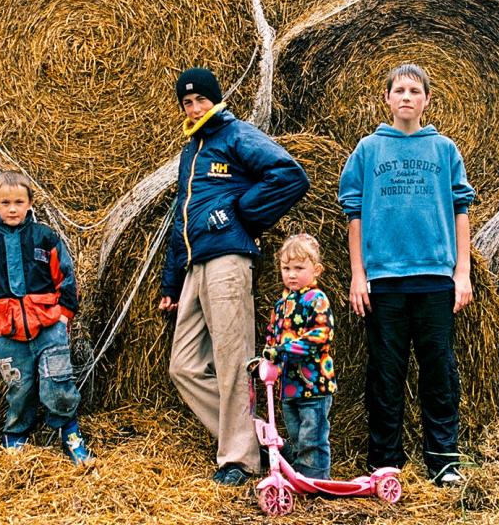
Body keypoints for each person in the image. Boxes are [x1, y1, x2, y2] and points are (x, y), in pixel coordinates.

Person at [158, 67, 309, 486]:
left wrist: (240, 214)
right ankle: (252, 438)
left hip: (227, 258)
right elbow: (180, 218)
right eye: (186, 103)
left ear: (215, 99)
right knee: (183, 366)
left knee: (232, 361)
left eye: (200, 99)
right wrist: (170, 284)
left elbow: (289, 175)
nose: (194, 107)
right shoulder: (192, 149)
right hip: (194, 265)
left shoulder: (235, 133)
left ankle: (240, 461)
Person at [337, 63, 477, 486]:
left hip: (435, 277)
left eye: (415, 91)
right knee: (385, 372)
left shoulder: (444, 150)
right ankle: (385, 461)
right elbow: (354, 214)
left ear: (426, 100)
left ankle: (444, 461)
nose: (406, 97)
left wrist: (462, 273)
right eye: (399, 90)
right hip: (384, 281)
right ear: (387, 98)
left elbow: (461, 211)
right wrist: (358, 275)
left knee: (438, 372)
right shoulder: (368, 150)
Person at [0, 170, 93, 464]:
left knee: (57, 381)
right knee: (18, 387)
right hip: (8, 333)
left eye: (19, 202)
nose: (12, 208)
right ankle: (16, 434)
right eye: (6, 202)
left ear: (30, 203)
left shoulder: (45, 237)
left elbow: (66, 277)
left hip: (49, 327)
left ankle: (69, 433)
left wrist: (63, 317)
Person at [262, 233, 337, 480]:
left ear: (316, 270)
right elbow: (272, 337)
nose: (291, 274)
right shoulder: (281, 305)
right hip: (289, 387)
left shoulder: (316, 299)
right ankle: (298, 476)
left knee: (311, 436)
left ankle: (315, 478)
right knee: (295, 435)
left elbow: (320, 336)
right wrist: (266, 357)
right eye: (286, 268)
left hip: (314, 385)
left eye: (298, 268)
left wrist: (282, 351)